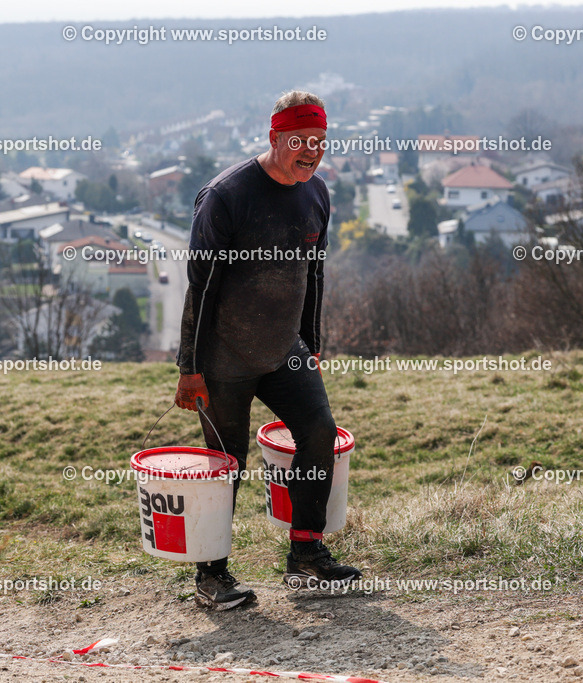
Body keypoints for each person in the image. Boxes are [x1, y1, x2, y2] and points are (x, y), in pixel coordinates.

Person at [173, 90, 363, 611]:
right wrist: (189, 368)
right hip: (223, 360)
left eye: (320, 142)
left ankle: (306, 555)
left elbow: (315, 276)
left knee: (320, 433)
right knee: (224, 464)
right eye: (300, 140)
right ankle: (211, 576)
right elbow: (200, 288)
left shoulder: (316, 194)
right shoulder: (226, 197)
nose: (310, 151)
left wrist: (313, 344)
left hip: (286, 352)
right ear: (275, 137)